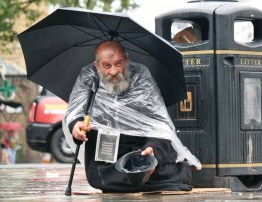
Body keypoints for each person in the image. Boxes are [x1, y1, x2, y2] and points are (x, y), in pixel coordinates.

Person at [63, 40, 201, 193]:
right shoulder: (88, 79)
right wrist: (76, 127)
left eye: (118, 64)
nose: (114, 72)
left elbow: (161, 126)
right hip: (107, 161)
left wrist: (152, 150)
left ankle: (151, 174)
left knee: (149, 167)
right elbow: (75, 115)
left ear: (126, 61)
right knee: (102, 177)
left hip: (140, 152)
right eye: (107, 66)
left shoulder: (141, 78)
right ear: (97, 66)